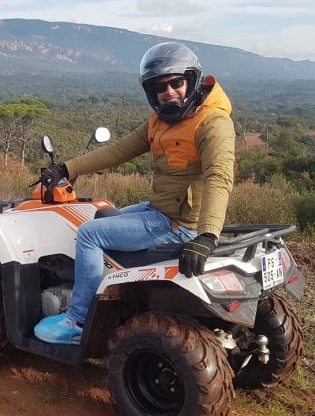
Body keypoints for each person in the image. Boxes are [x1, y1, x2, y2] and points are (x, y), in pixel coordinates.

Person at [33, 41, 235, 345]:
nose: (168, 92)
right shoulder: (162, 119)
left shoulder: (212, 123)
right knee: (103, 215)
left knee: (89, 234)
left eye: (176, 83)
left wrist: (207, 236)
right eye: (159, 87)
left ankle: (78, 321)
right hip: (162, 211)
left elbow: (219, 178)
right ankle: (116, 297)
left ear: (191, 80)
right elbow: (119, 150)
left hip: (180, 225)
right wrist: (67, 168)